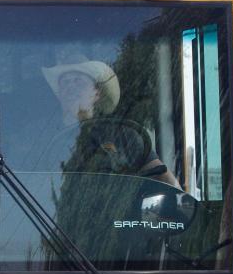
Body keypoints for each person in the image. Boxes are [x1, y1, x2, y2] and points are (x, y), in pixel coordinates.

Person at [42, 59, 179, 188]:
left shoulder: (123, 134)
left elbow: (162, 177)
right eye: (65, 83)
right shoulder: (43, 140)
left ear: (97, 93)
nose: (71, 87)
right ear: (59, 95)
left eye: (78, 81)